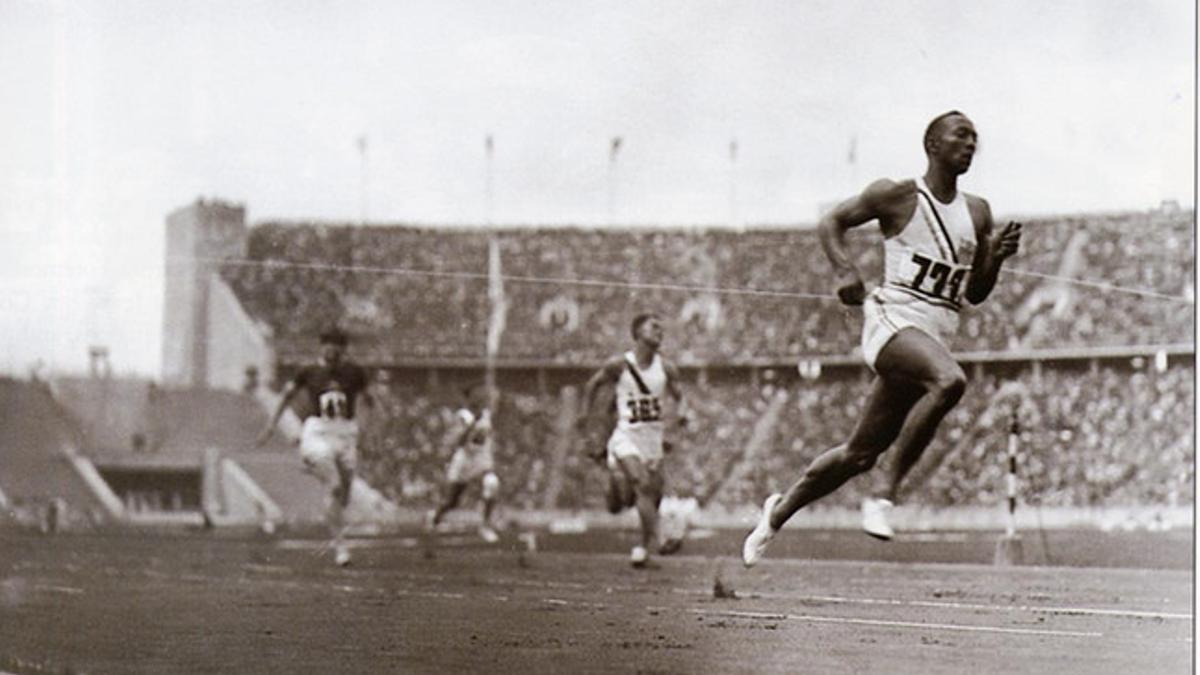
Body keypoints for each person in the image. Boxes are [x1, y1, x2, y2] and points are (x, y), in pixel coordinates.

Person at [743, 111, 1022, 566]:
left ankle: (776, 514)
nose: (971, 144)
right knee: (950, 382)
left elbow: (975, 293)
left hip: (933, 333)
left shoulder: (978, 211)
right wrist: (844, 271)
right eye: (961, 135)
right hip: (892, 321)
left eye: (975, 138)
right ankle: (883, 494)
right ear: (933, 144)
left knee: (857, 453)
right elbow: (830, 222)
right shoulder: (897, 195)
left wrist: (996, 258)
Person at [257, 327, 373, 567]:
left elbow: (368, 401)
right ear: (321, 347)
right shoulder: (308, 372)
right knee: (334, 485)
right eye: (327, 344)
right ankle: (341, 547)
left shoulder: (354, 372)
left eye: (337, 345)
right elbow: (286, 397)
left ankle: (317, 469)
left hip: (346, 431)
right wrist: (271, 426)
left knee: (345, 494)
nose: (332, 349)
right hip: (319, 430)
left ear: (344, 349)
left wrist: (366, 430)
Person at [580, 313, 687, 568]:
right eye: (654, 328)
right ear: (638, 333)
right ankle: (662, 538)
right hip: (626, 436)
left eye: (662, 329)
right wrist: (587, 417)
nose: (660, 332)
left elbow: (680, 397)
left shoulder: (667, 368)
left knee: (652, 495)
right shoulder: (620, 365)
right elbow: (592, 386)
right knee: (641, 483)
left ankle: (641, 547)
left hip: (653, 440)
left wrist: (679, 418)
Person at [426, 383, 501, 543]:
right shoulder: (463, 416)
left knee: (491, 483)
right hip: (465, 460)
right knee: (452, 501)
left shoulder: (486, 414)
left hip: (482, 459)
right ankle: (435, 518)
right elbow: (459, 442)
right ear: (469, 398)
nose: (480, 399)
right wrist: (472, 424)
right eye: (476, 396)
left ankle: (485, 525)